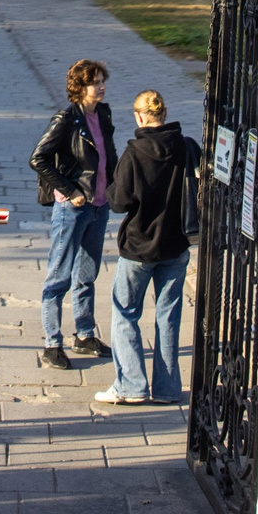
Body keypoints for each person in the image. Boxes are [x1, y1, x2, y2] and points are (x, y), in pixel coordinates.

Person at [97, 88, 197, 406]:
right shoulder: (186, 145)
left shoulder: (135, 152)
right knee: (168, 317)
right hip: (176, 245)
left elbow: (120, 201)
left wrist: (112, 186)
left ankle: (130, 385)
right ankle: (167, 389)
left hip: (139, 248)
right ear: (164, 113)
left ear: (139, 116)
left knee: (126, 313)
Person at [28, 59, 115, 371]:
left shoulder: (102, 113)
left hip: (99, 204)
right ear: (80, 86)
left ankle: (85, 334)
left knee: (87, 274)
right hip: (73, 207)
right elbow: (38, 159)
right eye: (95, 82)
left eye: (103, 80)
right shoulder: (66, 119)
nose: (101, 86)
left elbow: (108, 155)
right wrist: (71, 190)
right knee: (59, 276)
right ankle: (53, 342)